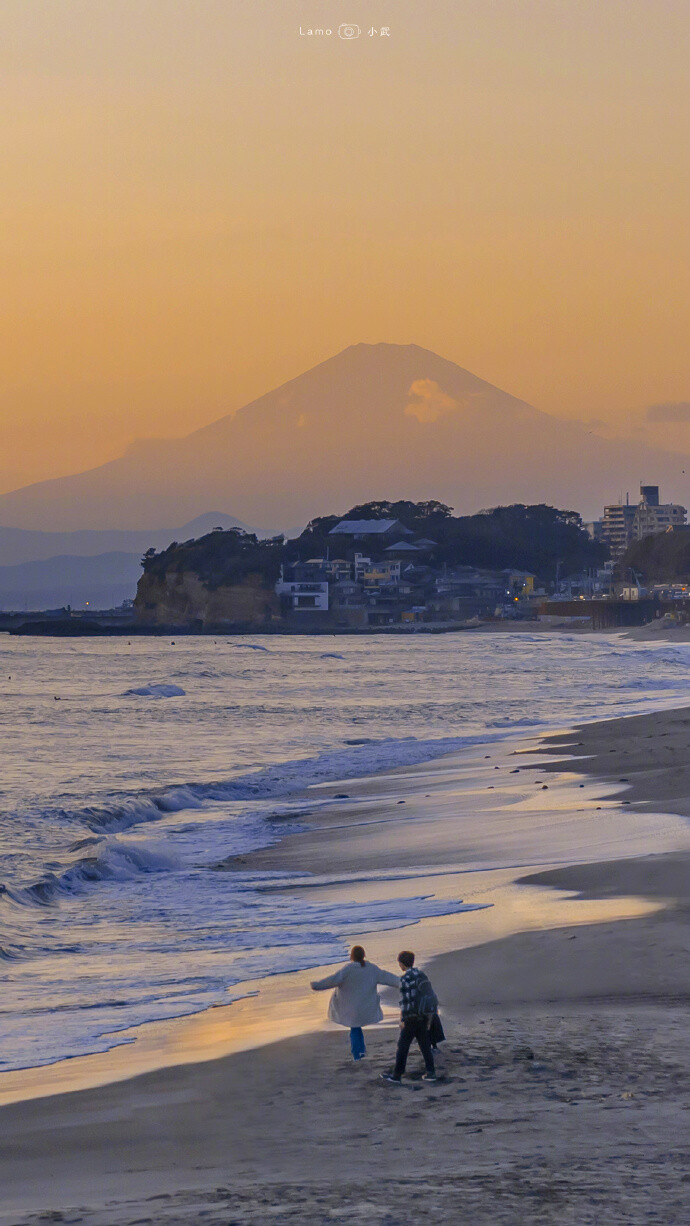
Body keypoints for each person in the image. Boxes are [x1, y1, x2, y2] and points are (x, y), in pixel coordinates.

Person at [311, 945, 400, 1060]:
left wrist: (316, 985)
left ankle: (358, 1053)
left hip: (351, 1007)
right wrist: (404, 982)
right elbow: (389, 978)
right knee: (356, 1028)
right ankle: (360, 1051)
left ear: (351, 956)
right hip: (365, 1006)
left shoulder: (348, 969)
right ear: (363, 956)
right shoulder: (372, 968)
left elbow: (332, 980)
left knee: (354, 1028)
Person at [380, 950, 437, 1083]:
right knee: (425, 1045)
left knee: (403, 1046)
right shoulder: (421, 975)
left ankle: (397, 1075)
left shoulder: (404, 979)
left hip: (411, 1018)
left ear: (401, 964)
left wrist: (403, 1020)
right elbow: (429, 996)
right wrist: (429, 1017)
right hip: (423, 1016)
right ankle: (431, 1072)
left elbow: (405, 1002)